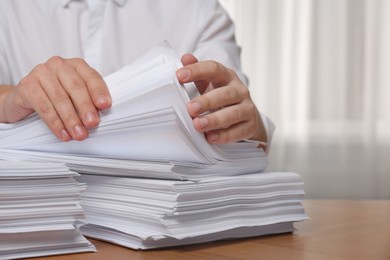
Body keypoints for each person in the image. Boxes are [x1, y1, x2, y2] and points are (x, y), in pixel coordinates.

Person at [0, 0, 273, 151]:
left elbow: (245, 131)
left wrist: (251, 129)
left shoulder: (197, 11)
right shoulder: (9, 11)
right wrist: (8, 99)